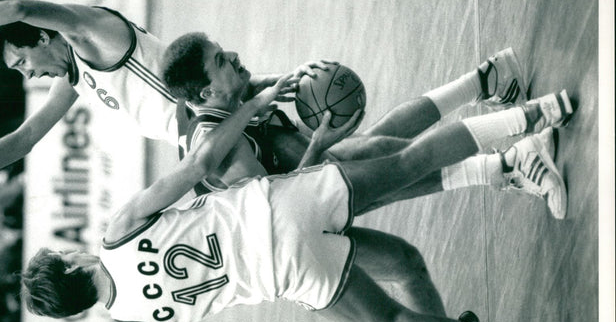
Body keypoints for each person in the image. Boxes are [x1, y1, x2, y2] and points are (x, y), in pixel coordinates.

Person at [20, 76, 570, 322]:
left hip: (285, 272)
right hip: (280, 206)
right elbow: (195, 168)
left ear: (76, 306)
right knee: (405, 163)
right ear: (71, 263)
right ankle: (539, 113)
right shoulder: (117, 232)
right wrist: (251, 104)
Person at [0, 0, 305, 207]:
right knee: (310, 197)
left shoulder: (94, 36)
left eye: (22, 61)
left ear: (42, 36)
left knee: (311, 196)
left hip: (218, 122)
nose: (28, 75)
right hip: (207, 134)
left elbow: (19, 7)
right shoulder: (75, 79)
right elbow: (24, 138)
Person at [163, 32, 574, 218]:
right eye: (220, 60)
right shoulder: (226, 158)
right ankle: (487, 86)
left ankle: (509, 155)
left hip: (286, 161)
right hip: (282, 206)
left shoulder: (220, 96)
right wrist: (320, 142)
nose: (232, 55)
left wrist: (295, 75)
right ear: (204, 96)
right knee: (375, 175)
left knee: (382, 169)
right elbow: (286, 197)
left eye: (221, 50)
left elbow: (248, 88)